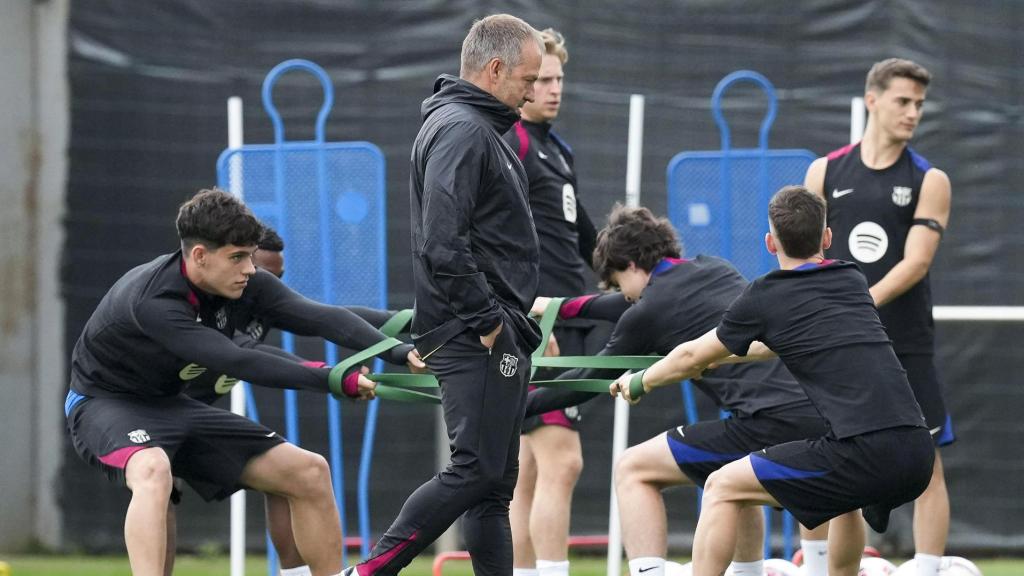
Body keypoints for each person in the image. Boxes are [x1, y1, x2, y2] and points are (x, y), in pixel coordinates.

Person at [65, 188, 422, 576]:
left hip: (172, 404)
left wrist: (397, 352)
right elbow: (238, 360)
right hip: (105, 404)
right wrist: (333, 379)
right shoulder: (155, 302)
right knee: (153, 472)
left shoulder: (246, 282)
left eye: (250, 256)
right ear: (199, 256)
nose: (250, 268)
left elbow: (321, 317)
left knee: (308, 470)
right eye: (237, 257)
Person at [612, 185, 935, 576]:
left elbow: (691, 354)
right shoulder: (850, 279)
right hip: (917, 452)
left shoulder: (766, 295)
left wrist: (641, 381)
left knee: (721, 485)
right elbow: (772, 346)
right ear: (827, 237)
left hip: (865, 452)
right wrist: (721, 358)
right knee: (846, 499)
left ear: (769, 243)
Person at [525, 205, 828, 576]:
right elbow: (625, 303)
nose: (625, 295)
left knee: (633, 468)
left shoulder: (649, 309)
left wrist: (518, 406)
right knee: (737, 473)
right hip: (815, 413)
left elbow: (589, 377)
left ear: (633, 266)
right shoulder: (714, 268)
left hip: (770, 422)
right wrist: (558, 308)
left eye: (619, 281)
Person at [349, 14, 544, 576]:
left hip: (487, 327)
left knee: (490, 488)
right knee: (476, 472)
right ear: (495, 68)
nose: (531, 93)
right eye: (528, 80)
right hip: (474, 331)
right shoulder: (462, 129)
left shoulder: (478, 129)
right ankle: (368, 571)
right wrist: (487, 322)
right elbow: (442, 240)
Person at [174, 226, 420, 576]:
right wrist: (336, 376)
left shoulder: (261, 300)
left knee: (287, 474)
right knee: (160, 490)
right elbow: (249, 354)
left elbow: (329, 317)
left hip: (200, 419)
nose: (261, 281)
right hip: (159, 413)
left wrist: (414, 323)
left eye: (278, 276)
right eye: (254, 269)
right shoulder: (209, 309)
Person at [803, 57, 952, 576]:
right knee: (829, 461)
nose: (913, 113)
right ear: (872, 100)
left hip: (905, 343)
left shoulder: (930, 179)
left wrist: (856, 304)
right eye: (902, 101)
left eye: (919, 105)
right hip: (838, 349)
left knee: (926, 461)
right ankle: (821, 565)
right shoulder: (825, 171)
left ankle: (929, 566)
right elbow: (808, 258)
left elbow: (916, 262)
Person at [501, 28, 601, 576]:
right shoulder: (510, 140)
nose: (553, 89)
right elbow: (493, 232)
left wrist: (618, 276)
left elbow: (578, 229)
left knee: (532, 471)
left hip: (573, 315)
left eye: (559, 78)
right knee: (564, 461)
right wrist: (531, 309)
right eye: (541, 80)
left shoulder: (557, 148)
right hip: (539, 322)